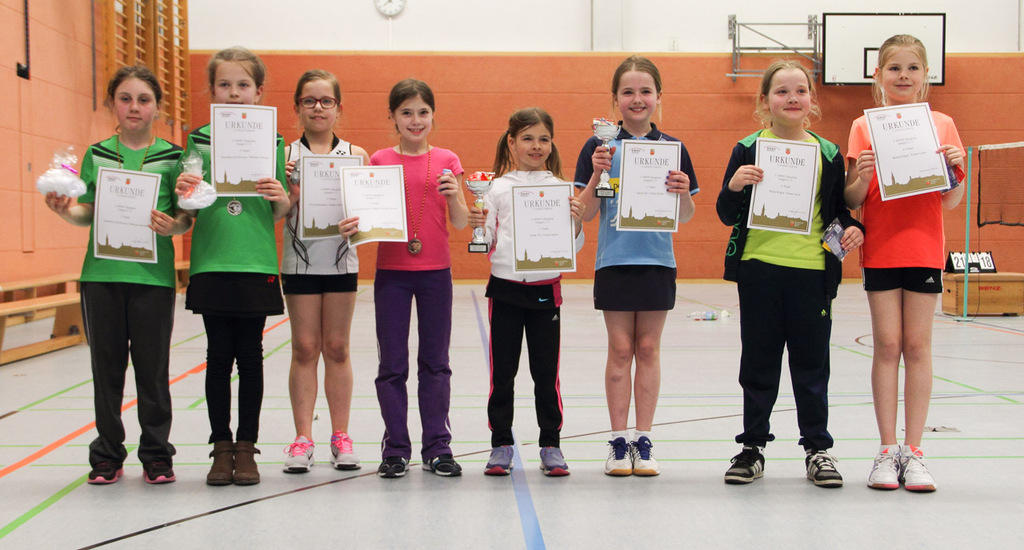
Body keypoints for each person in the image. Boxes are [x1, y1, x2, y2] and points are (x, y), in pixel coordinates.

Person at [716, 60, 865, 488]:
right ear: (765, 100)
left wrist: (853, 230)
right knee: (758, 362)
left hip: (812, 273)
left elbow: (838, 212)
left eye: (800, 90)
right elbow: (726, 213)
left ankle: (818, 449)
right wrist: (735, 186)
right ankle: (752, 448)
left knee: (812, 366)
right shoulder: (747, 148)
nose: (792, 98)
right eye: (781, 91)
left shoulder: (828, 153)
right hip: (759, 270)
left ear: (812, 100)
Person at [44, 65, 191, 485]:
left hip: (153, 280)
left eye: (144, 100)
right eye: (125, 98)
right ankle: (107, 453)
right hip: (101, 277)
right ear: (113, 103)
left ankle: (156, 454)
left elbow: (185, 218)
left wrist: (173, 227)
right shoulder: (97, 154)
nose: (134, 107)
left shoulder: (174, 157)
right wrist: (65, 211)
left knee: (152, 370)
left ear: (157, 107)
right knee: (106, 370)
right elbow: (87, 212)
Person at [845, 34, 966, 492]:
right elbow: (852, 199)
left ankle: (914, 452)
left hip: (924, 249)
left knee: (917, 347)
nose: (903, 76)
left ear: (925, 75)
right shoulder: (863, 126)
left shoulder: (943, 125)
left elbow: (951, 200)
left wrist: (957, 168)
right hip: (881, 249)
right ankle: (885, 449)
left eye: (912, 68)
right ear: (878, 75)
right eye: (894, 68)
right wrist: (862, 176)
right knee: (887, 345)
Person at [574, 55, 698, 476]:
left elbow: (685, 215)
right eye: (628, 92)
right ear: (615, 99)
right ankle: (617, 441)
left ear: (659, 96)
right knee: (620, 349)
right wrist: (597, 174)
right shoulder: (598, 147)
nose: (637, 99)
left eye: (646, 91)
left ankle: (643, 440)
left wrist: (683, 191)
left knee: (647, 348)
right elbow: (585, 213)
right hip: (614, 262)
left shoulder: (673, 149)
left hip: (658, 262)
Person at [176, 46, 291, 486]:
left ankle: (247, 447)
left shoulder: (273, 142)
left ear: (259, 92)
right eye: (224, 84)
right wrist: (186, 190)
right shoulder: (198, 141)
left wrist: (281, 198)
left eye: (243, 85)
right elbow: (188, 206)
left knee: (251, 357)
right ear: (212, 91)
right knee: (218, 357)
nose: (234, 92)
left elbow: (276, 212)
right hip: (212, 259)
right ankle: (221, 447)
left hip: (255, 259)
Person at [468, 108, 585, 477]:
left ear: (552, 143)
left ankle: (551, 444)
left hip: (545, 292)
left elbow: (573, 247)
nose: (536, 146)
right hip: (505, 291)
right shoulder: (496, 188)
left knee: (546, 375)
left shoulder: (562, 188)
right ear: (512, 142)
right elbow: (487, 242)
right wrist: (478, 224)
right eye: (528, 138)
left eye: (544, 139)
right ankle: (501, 443)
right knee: (502, 374)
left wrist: (575, 222)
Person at [366, 79, 469, 478]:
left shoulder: (447, 159)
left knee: (436, 362)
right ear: (392, 117)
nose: (415, 120)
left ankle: (437, 446)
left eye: (423, 112)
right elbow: (368, 218)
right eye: (406, 112)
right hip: (392, 273)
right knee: (392, 364)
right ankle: (395, 448)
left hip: (436, 274)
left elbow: (460, 222)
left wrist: (454, 195)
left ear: (433, 115)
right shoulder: (378, 160)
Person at [279, 69, 369, 473]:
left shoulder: (356, 155)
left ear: (338, 108)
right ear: (297, 107)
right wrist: (290, 196)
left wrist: (359, 222)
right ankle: (302, 438)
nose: (318, 108)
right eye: (309, 101)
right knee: (304, 347)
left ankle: (340, 436)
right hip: (299, 264)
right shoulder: (284, 157)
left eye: (326, 101)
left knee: (337, 347)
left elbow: (371, 218)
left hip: (340, 263)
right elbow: (274, 214)